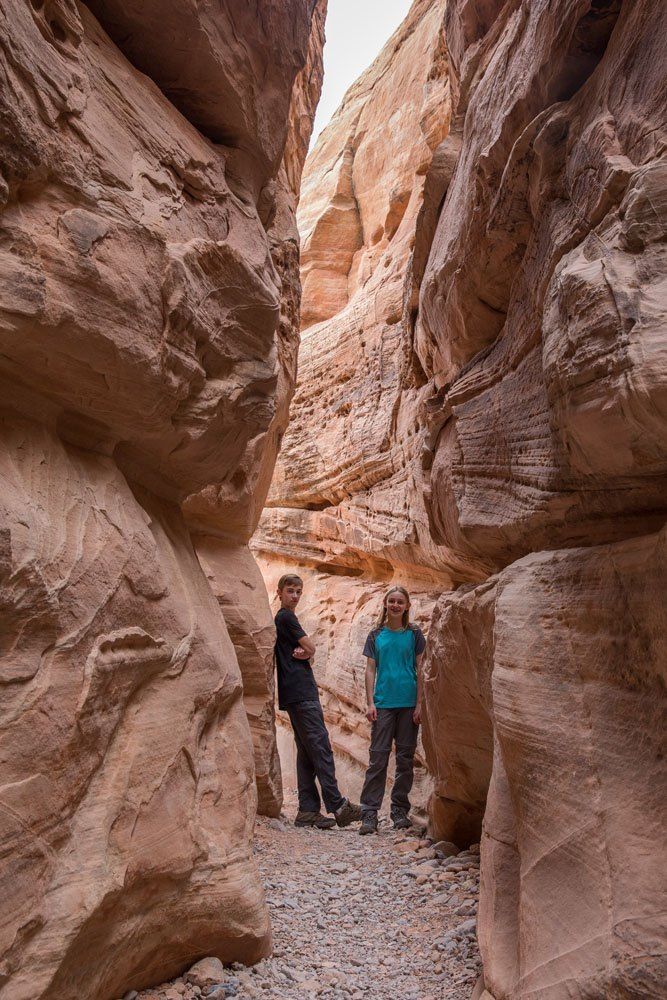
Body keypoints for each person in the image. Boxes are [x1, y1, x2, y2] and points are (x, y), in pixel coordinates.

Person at [274, 573, 361, 830]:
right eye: (290, 590)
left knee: (306, 753)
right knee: (321, 747)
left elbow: (306, 653)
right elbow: (310, 649)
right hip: (301, 693)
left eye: (299, 591)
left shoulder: (282, 619)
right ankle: (339, 806)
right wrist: (309, 653)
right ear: (279, 592)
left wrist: (307, 655)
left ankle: (308, 811)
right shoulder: (286, 617)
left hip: (293, 693)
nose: (295, 596)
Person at [358, 586, 426, 835]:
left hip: (408, 705)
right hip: (384, 703)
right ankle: (369, 813)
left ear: (407, 606)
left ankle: (399, 810)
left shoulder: (415, 634)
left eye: (400, 602)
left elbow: (421, 669)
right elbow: (370, 669)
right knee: (378, 758)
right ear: (385, 605)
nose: (396, 605)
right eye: (392, 601)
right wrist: (370, 702)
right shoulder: (376, 635)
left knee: (405, 760)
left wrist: (420, 704)